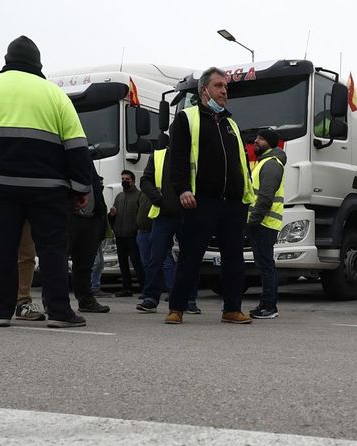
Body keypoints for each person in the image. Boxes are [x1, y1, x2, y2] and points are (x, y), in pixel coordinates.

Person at [0, 35, 91, 328]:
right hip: (48, 189)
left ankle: (0, 312)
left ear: (7, 61)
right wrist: (81, 187)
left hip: (0, 187)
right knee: (52, 249)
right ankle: (59, 313)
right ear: (38, 64)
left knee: (2, 248)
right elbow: (76, 144)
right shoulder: (55, 94)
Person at [164, 67, 255, 324]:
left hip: (233, 204)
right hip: (201, 201)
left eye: (225, 86)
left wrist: (244, 196)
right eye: (218, 86)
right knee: (191, 256)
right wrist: (182, 189)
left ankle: (232, 309)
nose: (224, 90)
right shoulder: (186, 118)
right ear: (204, 90)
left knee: (234, 259)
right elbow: (178, 157)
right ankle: (177, 308)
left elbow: (241, 162)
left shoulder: (231, 124)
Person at [138, 137, 198, 314]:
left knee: (189, 258)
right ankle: (150, 298)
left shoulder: (194, 155)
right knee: (155, 258)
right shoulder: (158, 155)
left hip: (189, 214)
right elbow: (145, 180)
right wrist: (158, 200)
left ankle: (189, 300)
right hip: (163, 215)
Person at [247, 129, 286, 320]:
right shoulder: (264, 163)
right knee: (264, 265)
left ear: (269, 143)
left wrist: (253, 221)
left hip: (264, 223)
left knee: (265, 266)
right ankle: (266, 304)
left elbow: (265, 198)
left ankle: (269, 306)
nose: (256, 141)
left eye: (260, 138)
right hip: (263, 223)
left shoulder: (271, 164)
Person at [67, 175, 110, 313]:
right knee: (58, 261)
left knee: (85, 264)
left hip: (91, 217)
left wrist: (100, 214)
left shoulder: (87, 164)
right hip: (69, 216)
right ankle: (54, 301)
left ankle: (86, 301)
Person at [109, 169, 146, 296]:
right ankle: (126, 288)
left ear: (133, 181)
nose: (124, 181)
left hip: (133, 235)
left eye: (127, 179)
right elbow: (113, 215)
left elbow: (141, 215)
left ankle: (145, 288)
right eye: (123, 179)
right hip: (120, 235)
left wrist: (135, 228)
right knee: (123, 263)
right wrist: (112, 215)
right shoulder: (119, 196)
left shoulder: (139, 195)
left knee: (137, 262)